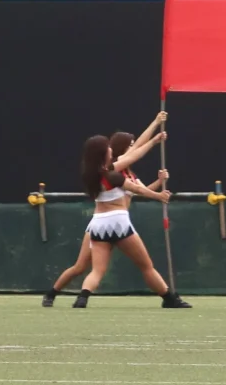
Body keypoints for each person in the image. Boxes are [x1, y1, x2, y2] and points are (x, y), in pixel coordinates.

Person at [41, 118, 166, 305]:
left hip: (101, 222)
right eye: (128, 146)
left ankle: (71, 296)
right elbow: (137, 153)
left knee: (90, 268)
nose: (133, 147)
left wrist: (155, 135)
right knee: (80, 266)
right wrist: (155, 133)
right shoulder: (114, 169)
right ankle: (52, 293)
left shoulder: (120, 172)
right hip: (112, 221)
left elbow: (140, 181)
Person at [71, 129, 191, 311]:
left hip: (97, 224)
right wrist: (159, 196)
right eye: (108, 148)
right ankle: (169, 298)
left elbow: (133, 154)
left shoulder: (92, 175)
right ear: (103, 154)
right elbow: (138, 188)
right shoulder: (112, 173)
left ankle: (82, 297)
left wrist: (154, 136)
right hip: (118, 222)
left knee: (97, 270)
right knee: (146, 266)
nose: (111, 150)